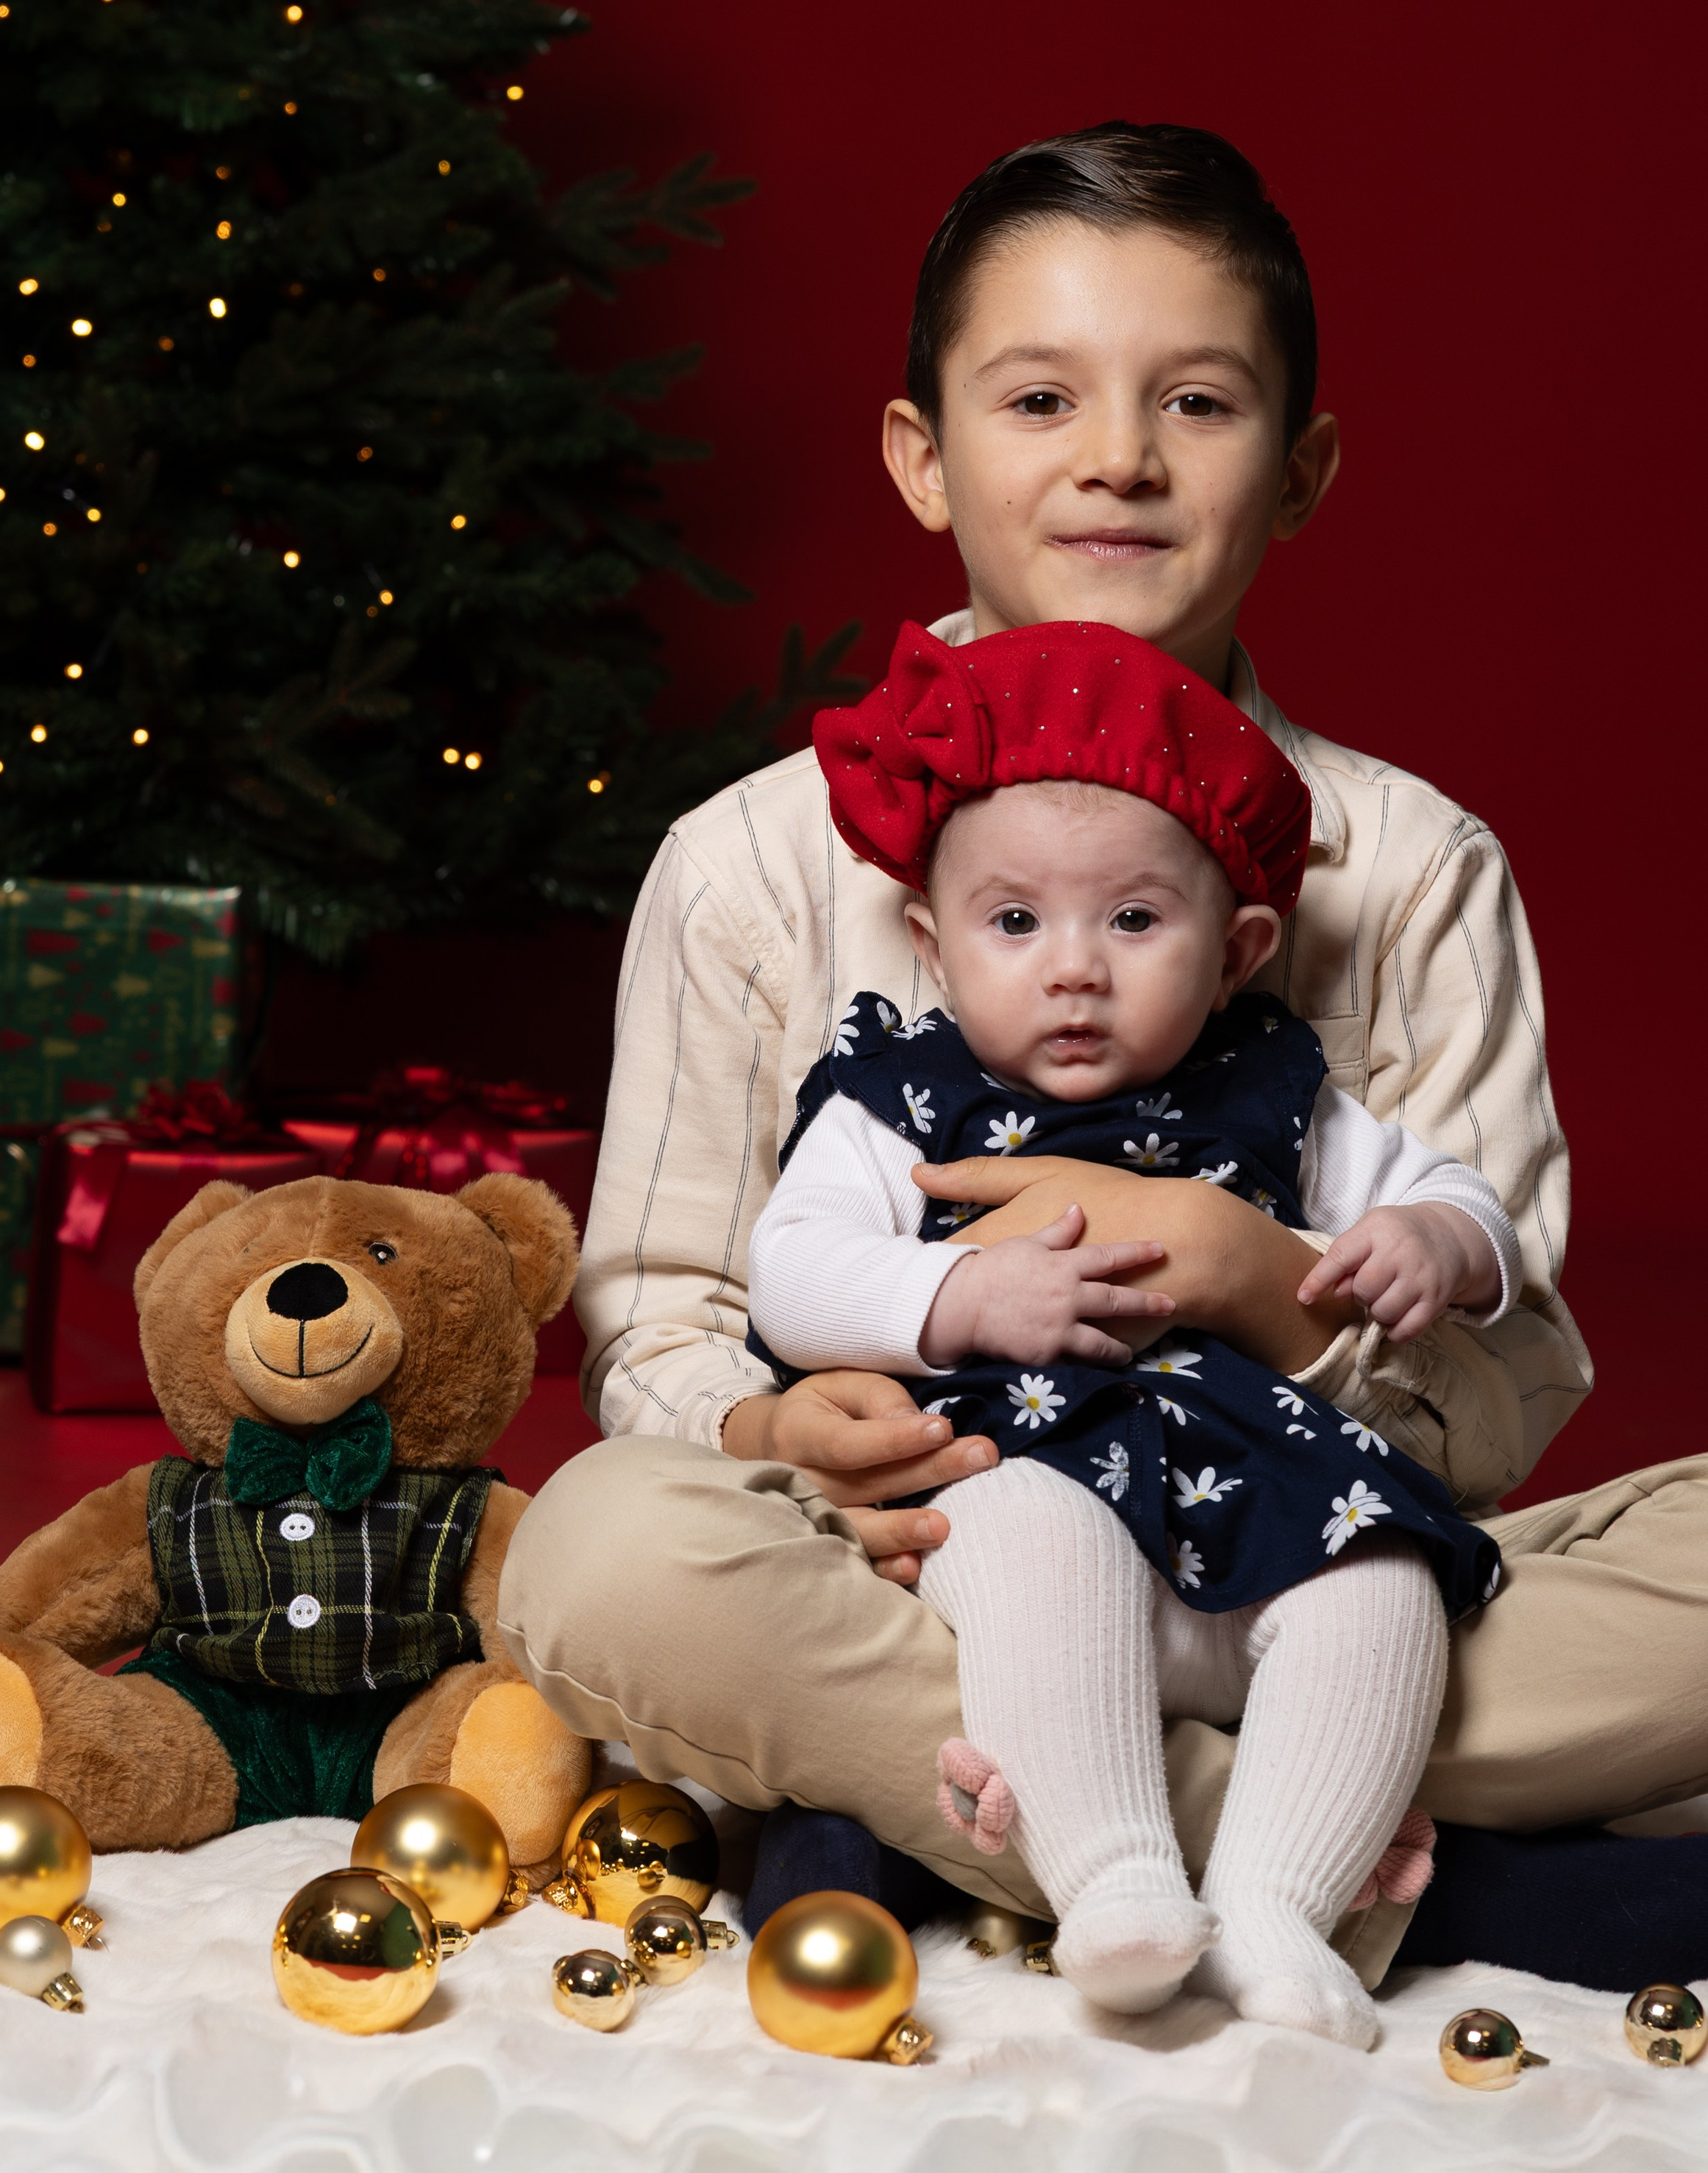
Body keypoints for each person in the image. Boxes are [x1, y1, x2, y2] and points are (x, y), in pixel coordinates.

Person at [496, 124, 1706, 1984]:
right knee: (597, 1556)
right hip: (939, 1554)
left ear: (1297, 470)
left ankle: (957, 1814)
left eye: (1196, 401)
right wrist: (769, 1429)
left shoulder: (1409, 866)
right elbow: (653, 1314)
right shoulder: (751, 863)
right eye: (1038, 396)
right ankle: (1399, 1877)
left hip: (1306, 1564)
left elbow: (1505, 1385)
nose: (1117, 457)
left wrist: (1267, 1285)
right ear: (922, 457)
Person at [749, 614, 1509, 2043]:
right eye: (1014, 920)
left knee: (1385, 1580)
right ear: (931, 937)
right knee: (1026, 1527)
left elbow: (1458, 1189)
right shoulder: (894, 1100)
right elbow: (787, 1272)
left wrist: (1438, 1239)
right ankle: (1113, 1878)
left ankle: (1281, 1906)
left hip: (1261, 1500)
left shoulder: (1271, 1089)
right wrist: (956, 1296)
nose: (1075, 967)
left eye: (1135, 920)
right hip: (1027, 1479)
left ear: (1238, 948)